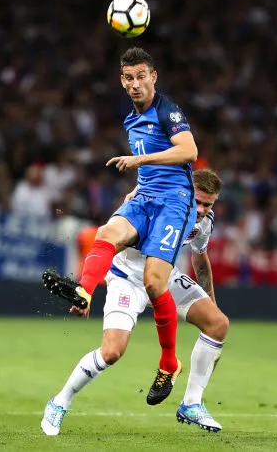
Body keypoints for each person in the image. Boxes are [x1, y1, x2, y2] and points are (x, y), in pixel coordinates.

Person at [43, 47, 199, 404]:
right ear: (122, 81)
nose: (135, 84)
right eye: (128, 78)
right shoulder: (131, 119)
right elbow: (151, 172)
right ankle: (84, 291)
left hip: (175, 203)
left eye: (141, 76)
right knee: (105, 233)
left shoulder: (167, 110)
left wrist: (139, 159)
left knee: (154, 282)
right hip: (145, 196)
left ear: (153, 77)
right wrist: (136, 186)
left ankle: (169, 363)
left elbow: (188, 151)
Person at [41, 169, 228, 435]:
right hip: (126, 279)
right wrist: (87, 289)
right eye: (197, 201)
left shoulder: (204, 221)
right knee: (111, 353)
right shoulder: (151, 203)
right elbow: (110, 243)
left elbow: (199, 257)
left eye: (207, 204)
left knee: (218, 324)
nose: (200, 209)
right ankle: (60, 402)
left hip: (167, 278)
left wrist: (211, 302)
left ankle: (191, 404)